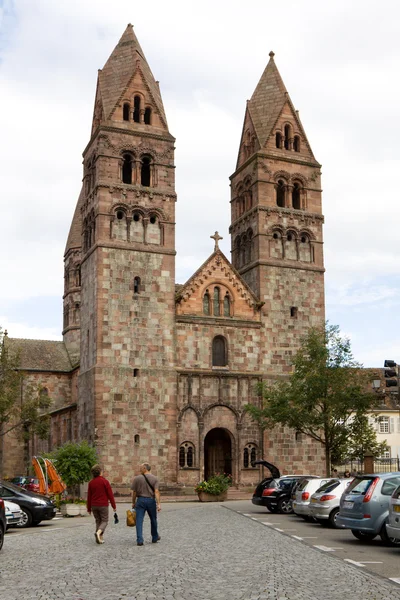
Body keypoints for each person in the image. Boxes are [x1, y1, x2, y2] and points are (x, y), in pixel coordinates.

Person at [131, 463, 161, 546]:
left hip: (140, 500)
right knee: (153, 519)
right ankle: (154, 537)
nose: (139, 470)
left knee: (139, 520)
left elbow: (134, 492)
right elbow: (156, 491)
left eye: (141, 468)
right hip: (151, 500)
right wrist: (159, 504)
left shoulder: (137, 479)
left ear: (145, 468)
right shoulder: (155, 478)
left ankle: (139, 540)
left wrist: (133, 502)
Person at [86, 464, 117, 544]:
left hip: (94, 505)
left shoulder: (91, 483)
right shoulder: (105, 481)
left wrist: (89, 508)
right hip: (103, 504)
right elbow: (110, 495)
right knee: (104, 521)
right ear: (100, 472)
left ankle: (100, 538)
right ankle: (98, 533)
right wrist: (114, 506)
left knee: (98, 521)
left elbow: (89, 496)